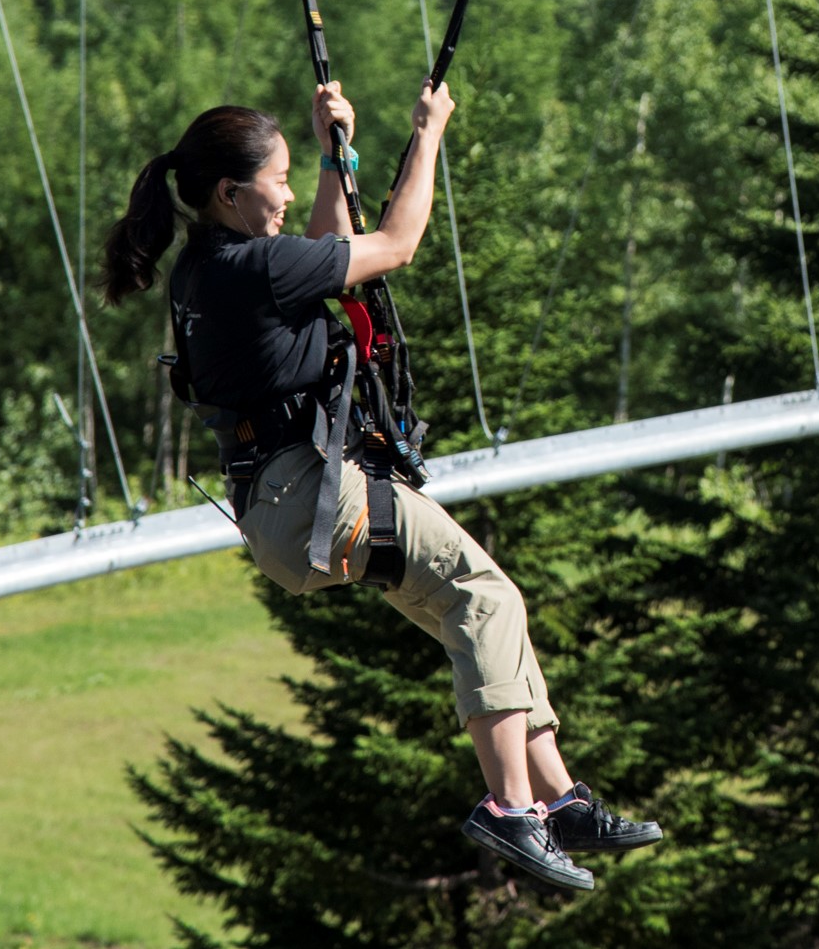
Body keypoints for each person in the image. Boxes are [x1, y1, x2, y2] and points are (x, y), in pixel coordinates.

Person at [98, 85, 659, 892]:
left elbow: (331, 246)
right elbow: (392, 243)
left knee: (475, 612)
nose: (288, 195)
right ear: (230, 193)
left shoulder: (213, 267)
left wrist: (336, 157)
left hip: (288, 502)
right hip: (319, 493)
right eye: (280, 179)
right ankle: (512, 806)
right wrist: (428, 133)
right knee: (486, 597)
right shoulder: (251, 265)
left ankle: (558, 796)